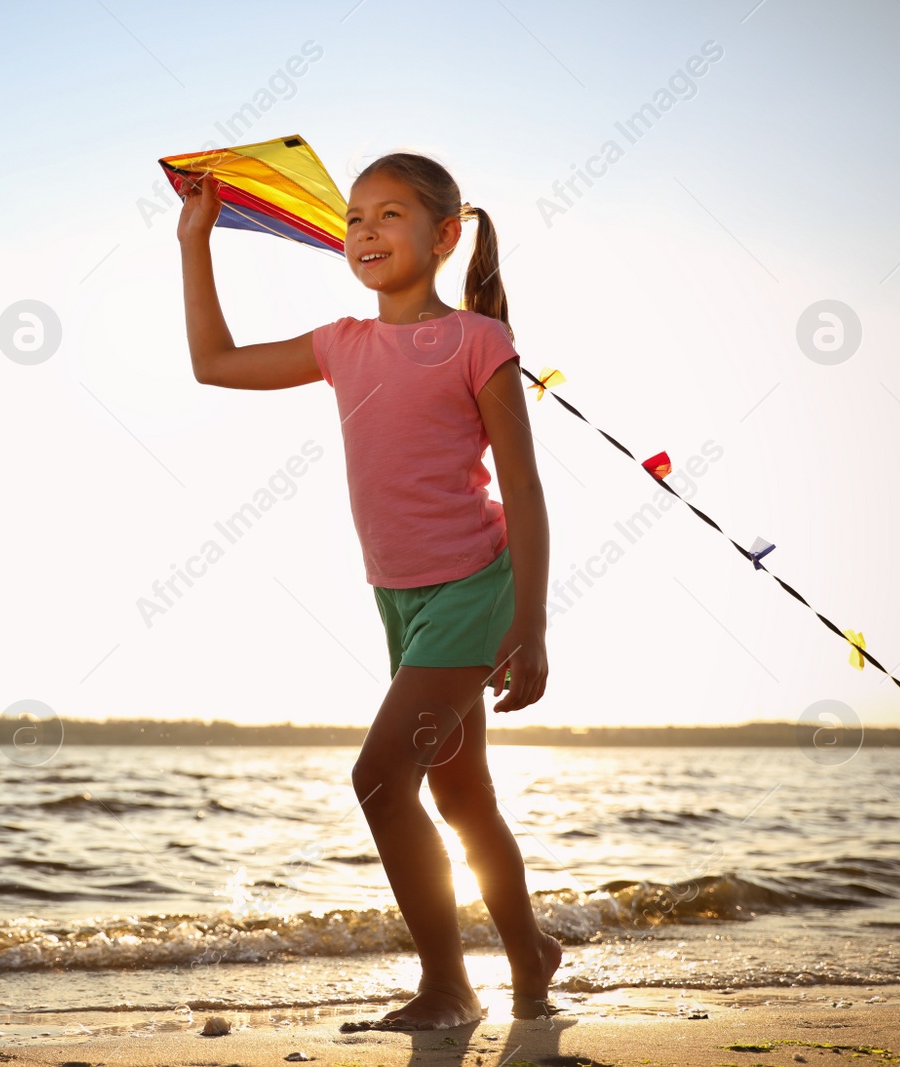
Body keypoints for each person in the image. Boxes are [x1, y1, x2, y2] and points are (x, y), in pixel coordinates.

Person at [176, 150, 563, 1029]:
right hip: (400, 599)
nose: (365, 230)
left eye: (390, 214)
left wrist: (532, 622)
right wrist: (197, 239)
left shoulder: (478, 340)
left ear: (445, 235)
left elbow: (526, 487)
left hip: (478, 589)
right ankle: (532, 954)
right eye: (354, 217)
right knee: (463, 798)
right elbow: (214, 361)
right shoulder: (341, 344)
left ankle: (447, 986)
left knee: (382, 779)